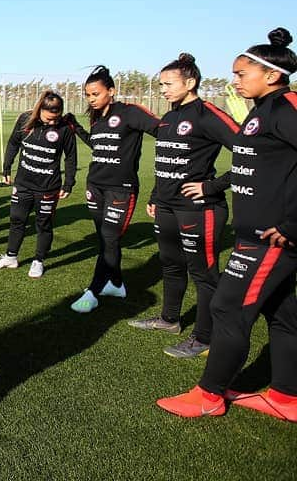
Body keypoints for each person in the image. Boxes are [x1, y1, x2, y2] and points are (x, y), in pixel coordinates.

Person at [158, 28, 297, 421]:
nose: (234, 81)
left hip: (272, 238)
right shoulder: (263, 110)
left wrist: (293, 224)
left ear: (271, 74)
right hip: (254, 232)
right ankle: (287, 397)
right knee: (283, 313)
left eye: (241, 74)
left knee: (228, 306)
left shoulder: (287, 107)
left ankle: (208, 395)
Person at [131, 54, 238, 358]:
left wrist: (212, 185)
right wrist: (155, 197)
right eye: (160, 84)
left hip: (198, 208)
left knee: (203, 274)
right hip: (167, 206)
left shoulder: (207, 114)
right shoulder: (169, 117)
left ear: (190, 83)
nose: (162, 89)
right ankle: (169, 320)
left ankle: (205, 337)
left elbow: (250, 151)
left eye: (168, 84)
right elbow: (166, 162)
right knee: (171, 263)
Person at [68, 65, 160, 313]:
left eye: (95, 94)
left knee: (110, 237)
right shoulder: (97, 117)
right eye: (87, 95)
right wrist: (77, 128)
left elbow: (162, 130)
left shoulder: (130, 113)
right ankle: (116, 283)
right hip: (95, 186)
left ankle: (93, 291)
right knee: (105, 240)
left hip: (121, 189)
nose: (91, 99)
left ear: (111, 90)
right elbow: (99, 146)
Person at [0, 90, 77, 278]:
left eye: (56, 118)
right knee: (17, 220)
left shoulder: (65, 128)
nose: (52, 122)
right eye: (48, 118)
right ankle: (11, 256)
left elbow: (71, 157)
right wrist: (6, 168)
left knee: (43, 224)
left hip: (48, 186)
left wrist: (68, 183)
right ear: (39, 110)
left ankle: (38, 260)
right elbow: (13, 143)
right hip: (23, 183)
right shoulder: (25, 120)